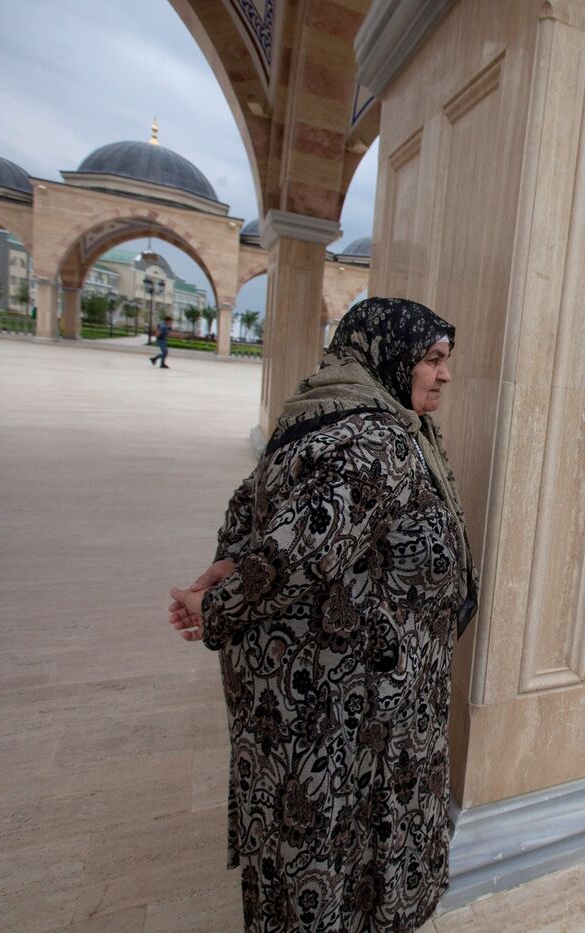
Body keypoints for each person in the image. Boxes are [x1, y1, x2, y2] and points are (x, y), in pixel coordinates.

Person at [167, 298, 477, 931]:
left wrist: (228, 561)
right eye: (432, 360)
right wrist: (217, 606)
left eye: (446, 361)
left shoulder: (329, 413)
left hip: (354, 684)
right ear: (387, 358)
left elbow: (249, 507)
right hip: (336, 695)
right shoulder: (372, 442)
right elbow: (292, 557)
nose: (444, 375)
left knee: (338, 837)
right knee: (329, 839)